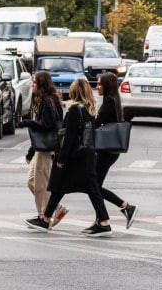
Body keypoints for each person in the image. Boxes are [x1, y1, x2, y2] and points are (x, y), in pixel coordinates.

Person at [25, 78, 112, 237]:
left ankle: (46, 219)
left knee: (60, 186)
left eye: (72, 88)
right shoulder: (89, 110)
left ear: (75, 92)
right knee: (73, 188)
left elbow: (69, 138)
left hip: (74, 158)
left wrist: (61, 159)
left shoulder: (74, 110)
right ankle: (47, 218)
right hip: (87, 155)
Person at [18, 71, 67, 225]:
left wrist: (27, 122)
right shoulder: (50, 100)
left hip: (46, 149)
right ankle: (56, 208)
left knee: (40, 184)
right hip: (42, 148)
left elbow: (47, 126)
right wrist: (31, 151)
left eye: (35, 83)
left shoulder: (48, 101)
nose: (32, 85)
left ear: (41, 85)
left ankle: (43, 217)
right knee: (32, 181)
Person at [90, 72, 137, 231]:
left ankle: (125, 207)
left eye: (100, 84)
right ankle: (100, 220)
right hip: (109, 151)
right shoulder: (113, 100)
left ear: (107, 86)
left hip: (107, 151)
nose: (97, 87)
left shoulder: (109, 101)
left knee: (94, 187)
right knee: (95, 187)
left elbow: (97, 123)